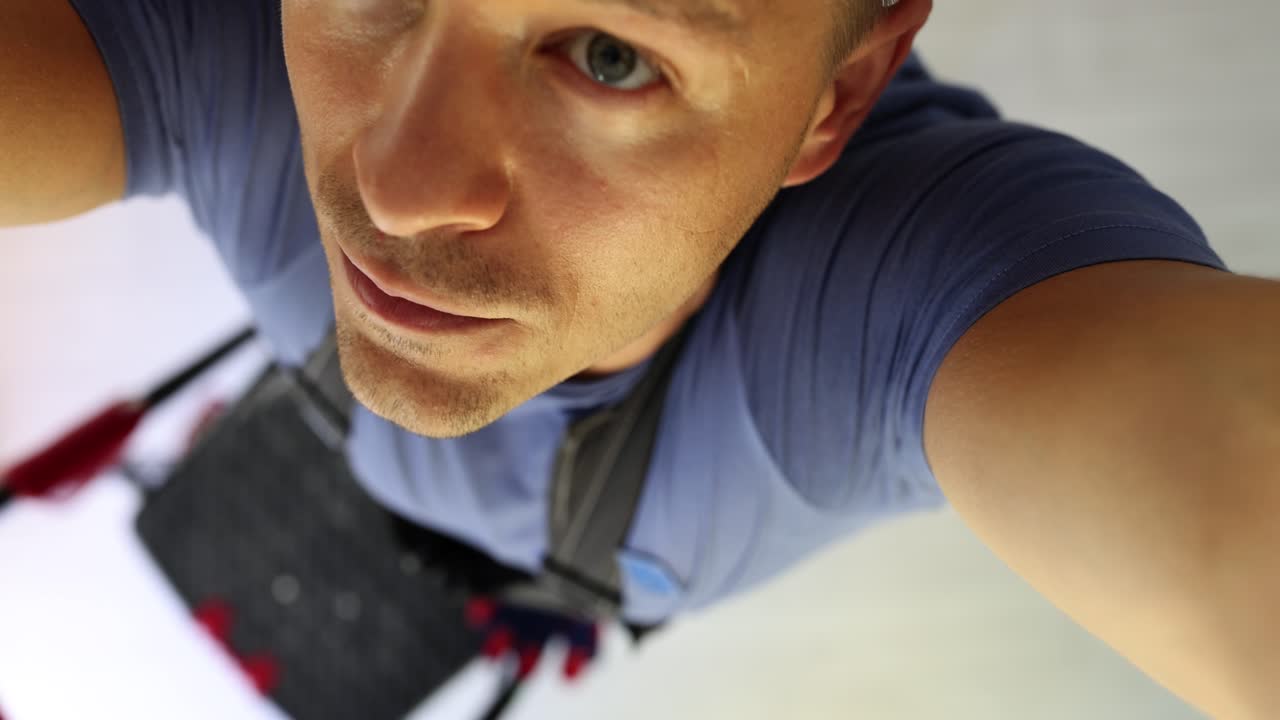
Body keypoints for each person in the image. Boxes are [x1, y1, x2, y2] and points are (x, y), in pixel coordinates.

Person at [3, 0, 1278, 716]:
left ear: (835, 99)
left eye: (609, 58)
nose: (396, 188)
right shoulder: (228, 44)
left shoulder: (893, 293)